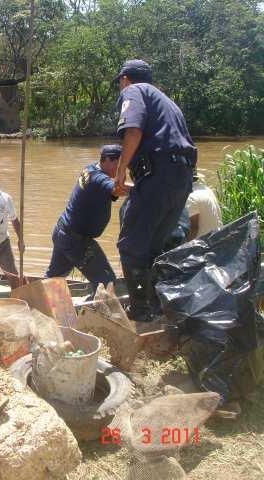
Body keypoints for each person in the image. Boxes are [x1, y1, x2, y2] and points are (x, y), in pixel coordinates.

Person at [114, 59, 197, 322]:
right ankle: (158, 308)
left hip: (158, 173)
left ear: (125, 79)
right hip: (182, 178)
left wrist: (120, 170)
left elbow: (134, 130)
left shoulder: (133, 91)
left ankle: (140, 312)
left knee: (130, 246)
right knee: (155, 248)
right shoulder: (168, 102)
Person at [46, 145, 129, 292]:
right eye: (120, 164)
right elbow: (118, 189)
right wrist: (146, 189)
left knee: (53, 280)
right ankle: (96, 312)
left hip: (63, 232)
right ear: (108, 160)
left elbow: (113, 190)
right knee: (107, 283)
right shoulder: (98, 178)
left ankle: (37, 304)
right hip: (76, 240)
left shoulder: (90, 169)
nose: (122, 169)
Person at [186, 171, 222, 239]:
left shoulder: (190, 196)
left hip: (204, 244)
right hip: (218, 237)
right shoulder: (205, 188)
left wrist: (183, 248)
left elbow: (194, 228)